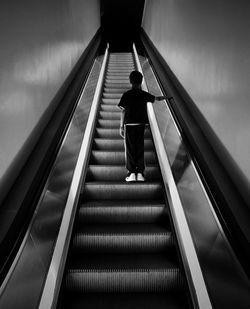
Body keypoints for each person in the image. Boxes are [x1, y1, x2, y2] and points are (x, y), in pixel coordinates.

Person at [118, 70, 166, 182]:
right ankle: (140, 173)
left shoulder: (126, 95)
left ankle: (131, 174)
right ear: (141, 81)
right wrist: (165, 97)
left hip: (129, 124)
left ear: (130, 81)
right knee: (140, 147)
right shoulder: (144, 94)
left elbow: (123, 111)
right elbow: (156, 98)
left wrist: (121, 127)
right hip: (141, 124)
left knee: (130, 149)